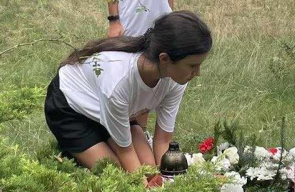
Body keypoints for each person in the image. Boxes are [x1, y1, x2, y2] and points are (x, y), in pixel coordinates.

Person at [44, 10, 211, 170]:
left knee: (150, 169)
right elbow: (126, 151)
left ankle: (100, 143)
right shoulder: (119, 81)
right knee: (118, 175)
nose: (197, 73)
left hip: (115, 110)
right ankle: (76, 148)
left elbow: (163, 140)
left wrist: (165, 180)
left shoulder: (177, 80)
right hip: (71, 109)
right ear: (164, 59)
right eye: (192, 66)